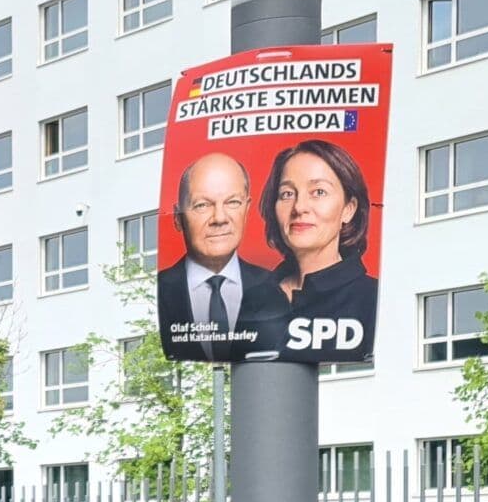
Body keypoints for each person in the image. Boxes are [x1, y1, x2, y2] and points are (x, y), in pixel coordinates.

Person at [239, 138, 378, 362]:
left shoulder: (376, 300)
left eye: (319, 192)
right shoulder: (248, 299)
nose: (299, 207)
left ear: (348, 209)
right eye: (287, 194)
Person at [157, 152, 276, 361]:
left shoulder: (277, 289)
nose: (219, 218)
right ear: (178, 217)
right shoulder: (159, 288)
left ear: (247, 209)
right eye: (202, 205)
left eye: (232, 202)